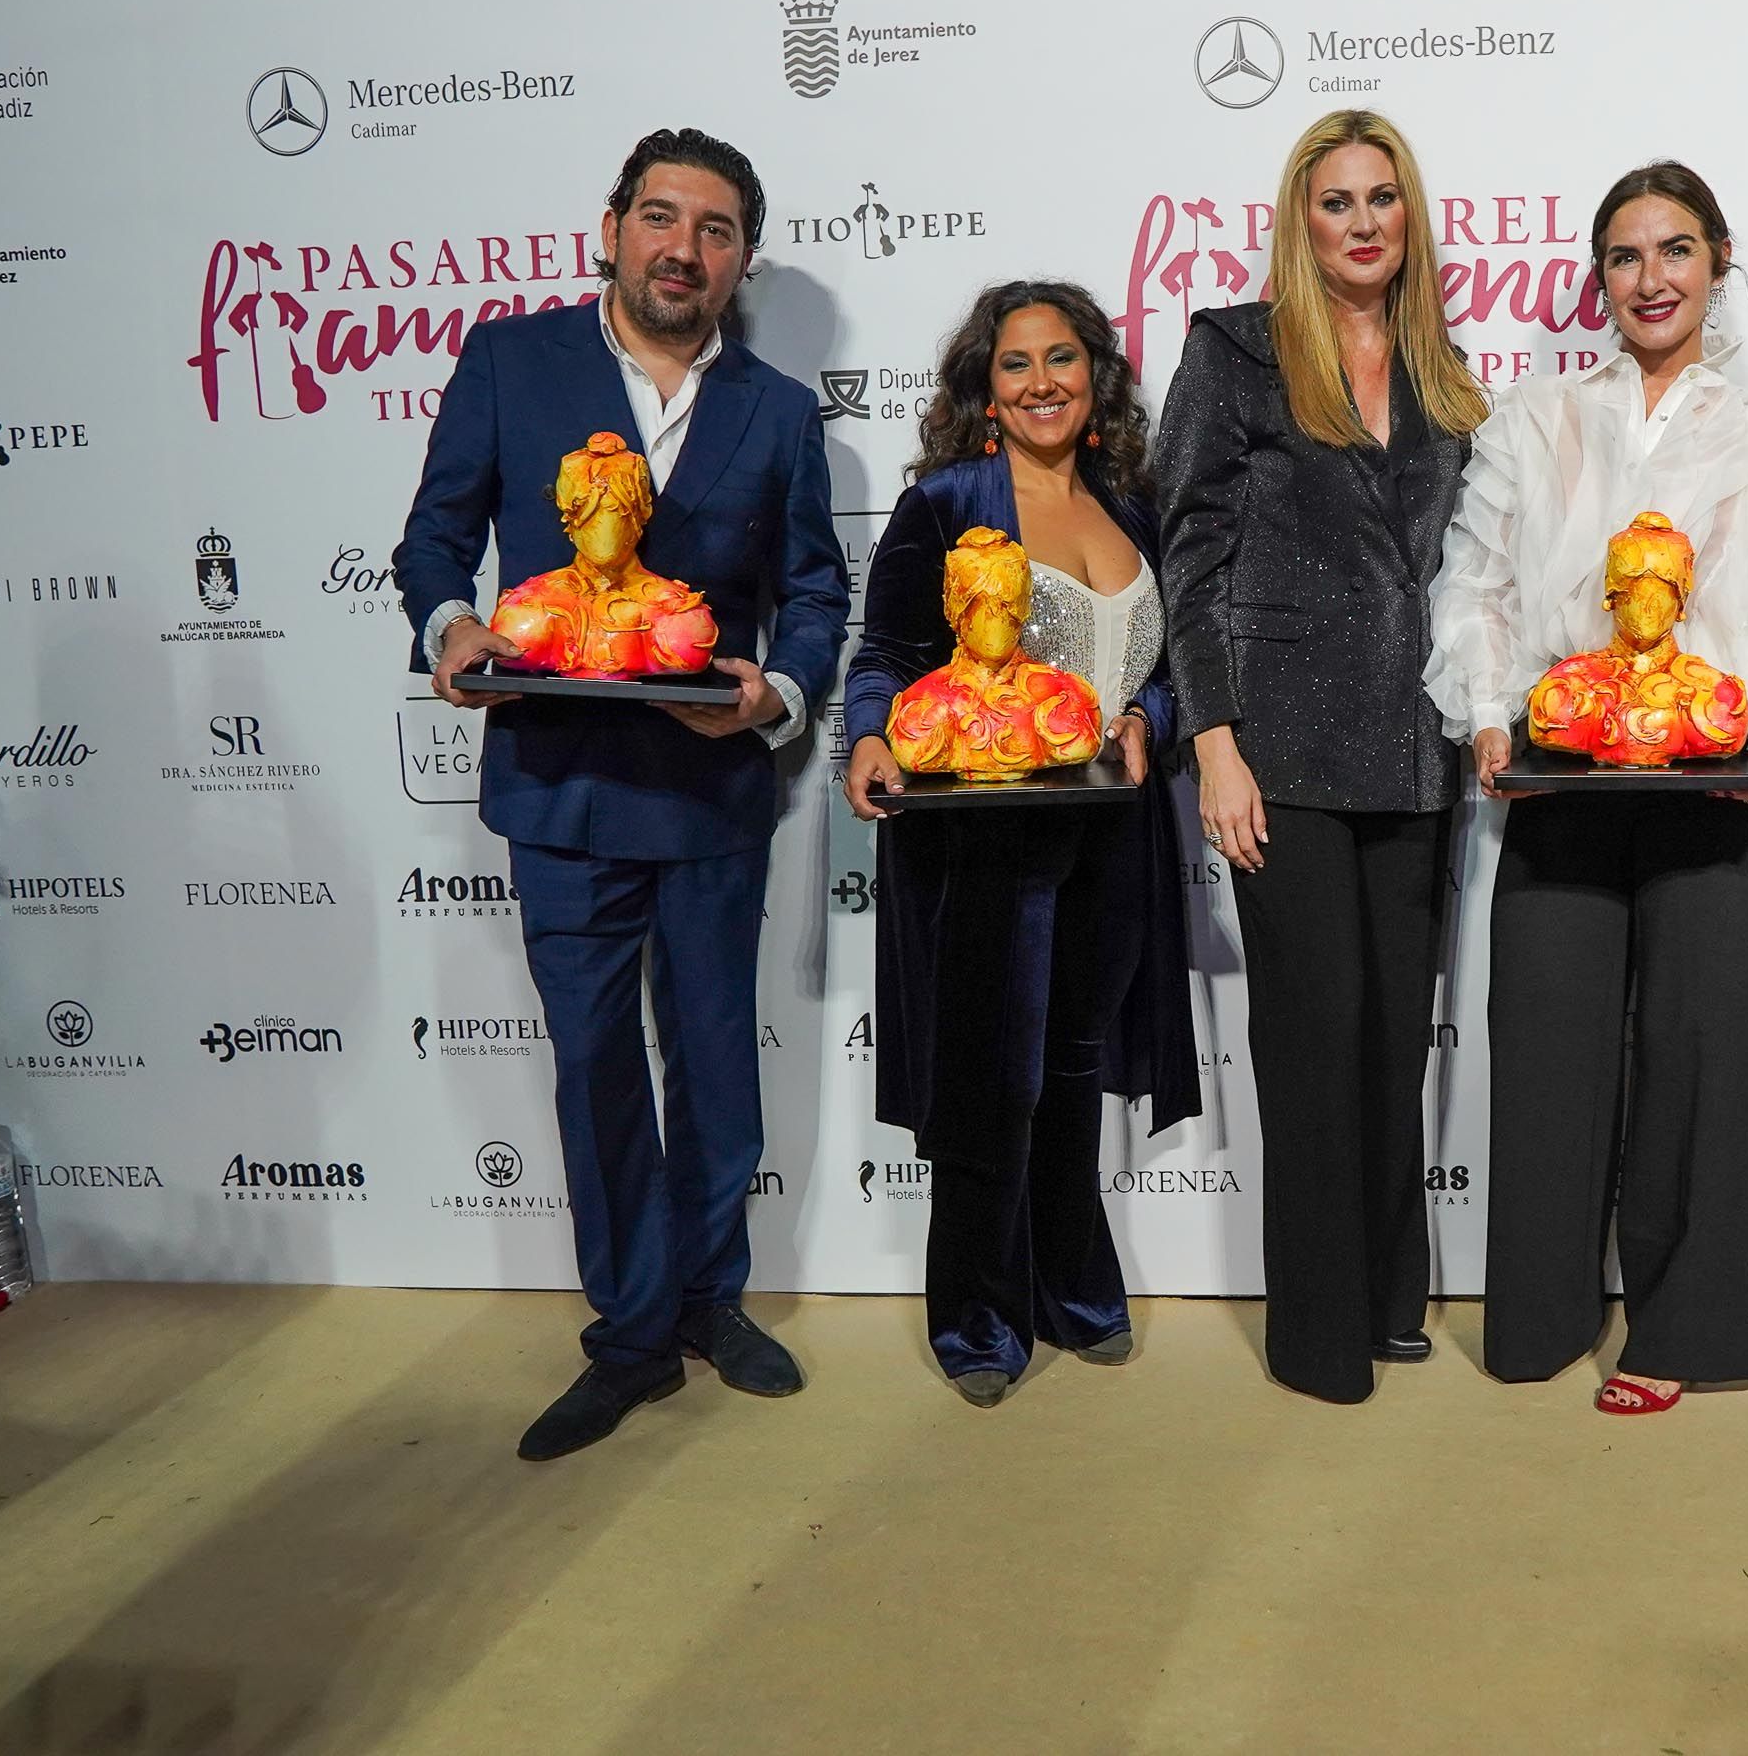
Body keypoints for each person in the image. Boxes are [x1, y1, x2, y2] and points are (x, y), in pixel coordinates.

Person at [393, 128, 850, 1461]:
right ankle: (634, 1333)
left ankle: (714, 1301)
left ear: (740, 261)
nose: (683, 248)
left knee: (714, 1061)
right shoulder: (509, 361)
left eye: (714, 230)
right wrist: (449, 630)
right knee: (596, 1067)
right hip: (560, 788)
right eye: (661, 217)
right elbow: (437, 536)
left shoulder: (775, 409)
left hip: (709, 789)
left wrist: (776, 694)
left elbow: (813, 591)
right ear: (610, 227)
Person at [1426, 160, 1748, 1417]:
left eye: (1676, 250)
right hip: (1560, 777)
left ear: (1719, 264)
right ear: (1599, 280)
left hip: (1713, 785)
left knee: (1704, 1057)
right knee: (1551, 1052)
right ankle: (1541, 1312)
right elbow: (1475, 590)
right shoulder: (1533, 419)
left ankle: (1688, 1325)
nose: (1652, 277)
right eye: (1626, 256)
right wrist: (1482, 717)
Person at [1157, 110, 1487, 1405]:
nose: (1361, 223)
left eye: (1382, 199)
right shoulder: (1235, 350)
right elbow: (1188, 550)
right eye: (1336, 201)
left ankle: (1391, 1294)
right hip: (1278, 753)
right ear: (1302, 221)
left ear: (1411, 218)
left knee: (1394, 1035)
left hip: (1416, 756)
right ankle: (1316, 1331)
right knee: (1311, 1034)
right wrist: (1216, 744)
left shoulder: (1446, 374)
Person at [841, 280, 1200, 1408]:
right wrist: (864, 740)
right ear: (983, 390)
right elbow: (884, 650)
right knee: (990, 1081)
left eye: (1062, 360)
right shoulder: (947, 502)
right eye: (1015, 364)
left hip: (1112, 840)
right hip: (980, 842)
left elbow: (1169, 672)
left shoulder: (1131, 508)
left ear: (1095, 380)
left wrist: (1149, 722)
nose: (1041, 381)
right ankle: (978, 1316)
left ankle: (1072, 1287)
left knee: (1077, 1069)